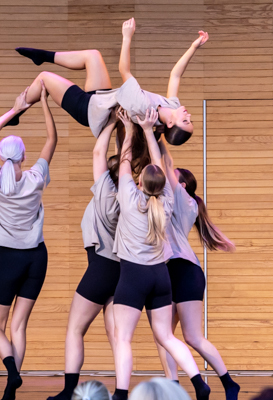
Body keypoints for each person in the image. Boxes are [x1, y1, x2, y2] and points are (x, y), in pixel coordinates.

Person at [111, 108, 210, 400]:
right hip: (160, 276)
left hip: (133, 275)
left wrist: (130, 129)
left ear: (139, 182)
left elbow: (125, 162)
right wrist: (149, 132)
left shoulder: (129, 197)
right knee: (166, 336)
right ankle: (199, 382)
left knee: (123, 338)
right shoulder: (166, 199)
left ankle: (119, 393)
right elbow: (157, 164)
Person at [13, 18, 207, 147]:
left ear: (171, 122)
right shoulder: (171, 105)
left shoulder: (143, 109)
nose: (188, 115)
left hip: (88, 109)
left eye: (185, 120)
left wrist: (127, 37)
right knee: (93, 56)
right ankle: (44, 56)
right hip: (102, 97)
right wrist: (193, 47)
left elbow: (124, 70)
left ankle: (14, 113)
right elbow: (175, 75)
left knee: (44, 78)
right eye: (190, 119)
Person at [0, 82, 58, 400]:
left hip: (9, 259)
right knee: (19, 326)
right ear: (25, 157)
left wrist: (16, 109)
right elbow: (52, 139)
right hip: (37, 257)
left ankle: (12, 374)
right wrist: (42, 102)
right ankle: (11, 390)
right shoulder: (36, 179)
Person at [153, 138, 239, 400]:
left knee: (192, 337)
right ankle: (172, 387)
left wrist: (159, 138)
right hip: (170, 270)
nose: (168, 179)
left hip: (184, 272)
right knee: (163, 335)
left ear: (181, 185)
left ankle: (228, 382)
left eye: (173, 177)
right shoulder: (176, 200)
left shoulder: (183, 198)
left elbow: (166, 164)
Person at [47, 110, 121, 400]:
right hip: (120, 270)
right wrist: (124, 130)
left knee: (75, 329)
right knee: (117, 337)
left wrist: (113, 122)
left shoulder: (105, 195)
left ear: (108, 175)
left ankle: (67, 392)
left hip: (102, 266)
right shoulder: (126, 195)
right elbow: (118, 159)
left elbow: (99, 153)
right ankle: (120, 392)